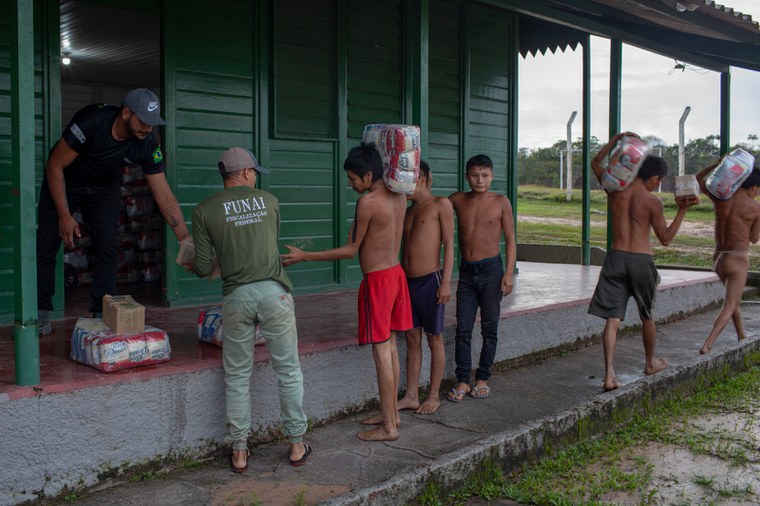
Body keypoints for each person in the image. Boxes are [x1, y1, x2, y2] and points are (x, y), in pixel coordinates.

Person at [187, 147, 311, 472]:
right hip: (274, 293)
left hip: (236, 298)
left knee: (237, 376)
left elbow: (202, 267)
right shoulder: (269, 202)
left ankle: (240, 451)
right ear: (244, 173)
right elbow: (267, 247)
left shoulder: (203, 210)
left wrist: (199, 264)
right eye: (254, 172)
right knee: (288, 370)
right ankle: (297, 444)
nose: (255, 177)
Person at [282, 143, 412, 442]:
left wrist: (305, 256)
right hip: (396, 275)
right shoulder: (401, 196)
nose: (351, 184)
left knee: (381, 354)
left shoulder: (368, 203)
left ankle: (389, 427)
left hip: (378, 282)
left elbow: (350, 250)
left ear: (368, 175)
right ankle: (391, 415)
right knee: (390, 348)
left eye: (353, 179)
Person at [36, 88, 189, 333]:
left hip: (104, 187)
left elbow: (165, 196)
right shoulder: (91, 121)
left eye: (153, 124)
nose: (148, 129)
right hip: (67, 181)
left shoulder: (147, 143)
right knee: (47, 245)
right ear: (126, 113)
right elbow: (55, 165)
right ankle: (40, 312)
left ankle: (101, 310)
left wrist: (184, 237)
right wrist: (65, 215)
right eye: (144, 121)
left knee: (108, 245)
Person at [588, 132, 699, 391]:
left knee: (612, 319)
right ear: (654, 178)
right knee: (646, 314)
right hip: (640, 260)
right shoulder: (652, 201)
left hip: (615, 258)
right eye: (658, 181)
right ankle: (650, 363)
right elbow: (666, 239)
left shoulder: (614, 190)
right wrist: (682, 211)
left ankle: (608, 376)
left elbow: (596, 163)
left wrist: (617, 140)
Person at [447, 154, 516, 402]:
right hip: (467, 273)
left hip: (491, 271)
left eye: (484, 175)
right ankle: (463, 380)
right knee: (463, 329)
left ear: (492, 176)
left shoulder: (500, 202)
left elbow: (510, 239)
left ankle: (483, 377)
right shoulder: (457, 199)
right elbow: (433, 207)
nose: (479, 180)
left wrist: (508, 273)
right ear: (467, 176)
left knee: (489, 328)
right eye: (475, 175)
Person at [397, 161, 455, 415]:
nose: (401, 188)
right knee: (412, 337)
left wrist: (446, 282)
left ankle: (433, 395)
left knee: (434, 338)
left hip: (431, 280)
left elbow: (450, 246)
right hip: (407, 283)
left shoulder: (440, 204)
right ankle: (411, 395)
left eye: (405, 182)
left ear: (420, 179)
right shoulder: (407, 211)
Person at [694, 160, 760, 354]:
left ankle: (741, 335)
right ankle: (708, 343)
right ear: (753, 187)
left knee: (734, 299)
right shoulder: (755, 208)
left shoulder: (722, 199)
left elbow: (698, 179)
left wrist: (716, 164)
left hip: (719, 258)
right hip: (737, 258)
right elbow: (754, 239)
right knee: (730, 303)